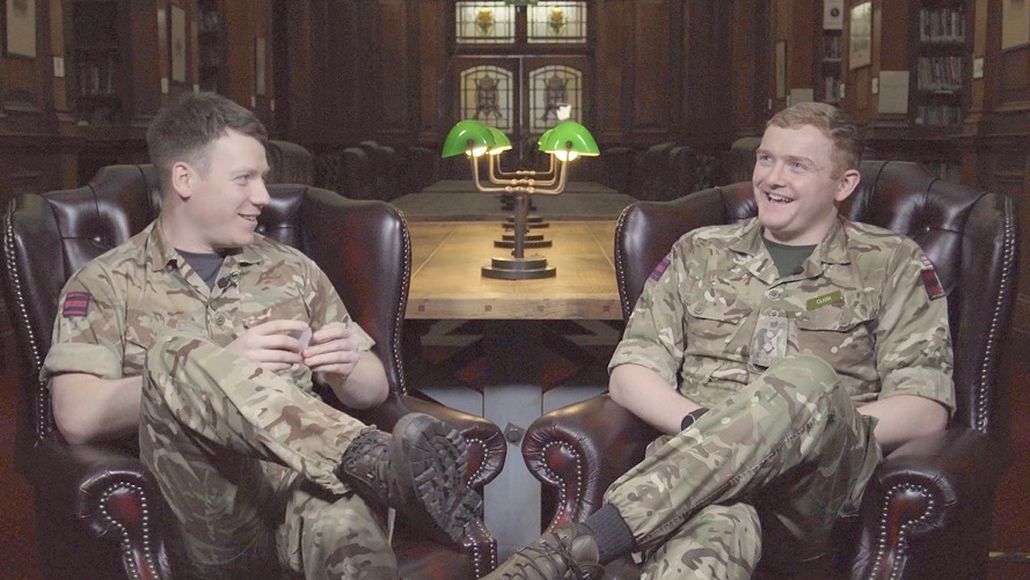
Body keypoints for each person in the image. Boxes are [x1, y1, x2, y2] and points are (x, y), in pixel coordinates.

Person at [484, 102, 954, 579]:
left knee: (806, 382)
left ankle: (578, 545)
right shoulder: (699, 251)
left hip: (816, 494)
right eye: (766, 159)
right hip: (696, 486)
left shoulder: (891, 263)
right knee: (708, 538)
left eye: (798, 165)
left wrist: (796, 423)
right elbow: (631, 374)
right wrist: (721, 433)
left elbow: (925, 406)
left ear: (844, 184)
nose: (772, 178)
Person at [42, 92, 481, 579]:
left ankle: (367, 465)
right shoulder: (106, 282)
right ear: (184, 178)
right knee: (179, 356)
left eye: (264, 179)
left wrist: (345, 369)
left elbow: (375, 387)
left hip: (304, 487)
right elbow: (76, 416)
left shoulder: (291, 269)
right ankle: (367, 458)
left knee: (343, 520)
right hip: (202, 512)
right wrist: (216, 367)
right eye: (244, 179)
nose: (263, 197)